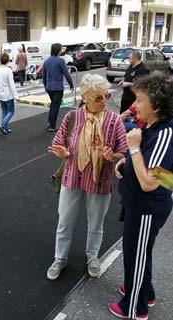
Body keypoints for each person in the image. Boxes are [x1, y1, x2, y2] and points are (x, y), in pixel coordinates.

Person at [47, 74, 127, 280]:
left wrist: (113, 155)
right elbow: (59, 143)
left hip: (100, 180)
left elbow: (123, 151)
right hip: (72, 177)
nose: (105, 101)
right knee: (64, 221)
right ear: (85, 98)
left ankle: (92, 256)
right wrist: (62, 152)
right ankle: (60, 258)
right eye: (98, 98)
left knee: (96, 224)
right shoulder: (72, 117)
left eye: (107, 96)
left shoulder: (114, 120)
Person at [109, 73, 173, 320]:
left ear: (156, 105)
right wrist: (125, 160)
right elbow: (165, 176)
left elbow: (149, 183)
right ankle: (144, 291)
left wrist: (133, 148)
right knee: (139, 252)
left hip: (146, 207)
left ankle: (134, 308)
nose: (134, 105)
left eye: (139, 99)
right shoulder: (154, 127)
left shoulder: (164, 134)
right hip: (140, 205)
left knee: (136, 254)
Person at [43, 43, 74, 132]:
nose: (61, 51)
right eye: (61, 50)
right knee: (55, 106)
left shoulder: (46, 61)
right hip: (58, 88)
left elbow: (44, 76)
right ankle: (52, 126)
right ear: (58, 50)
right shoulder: (60, 61)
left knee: (53, 105)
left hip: (49, 87)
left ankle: (49, 123)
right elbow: (66, 74)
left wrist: (45, 86)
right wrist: (71, 85)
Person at [0, 52, 18, 135]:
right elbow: (11, 84)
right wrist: (16, 96)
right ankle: (2, 125)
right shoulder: (8, 70)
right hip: (8, 94)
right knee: (11, 111)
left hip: (0, 93)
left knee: (4, 111)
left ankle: (5, 128)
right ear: (8, 60)